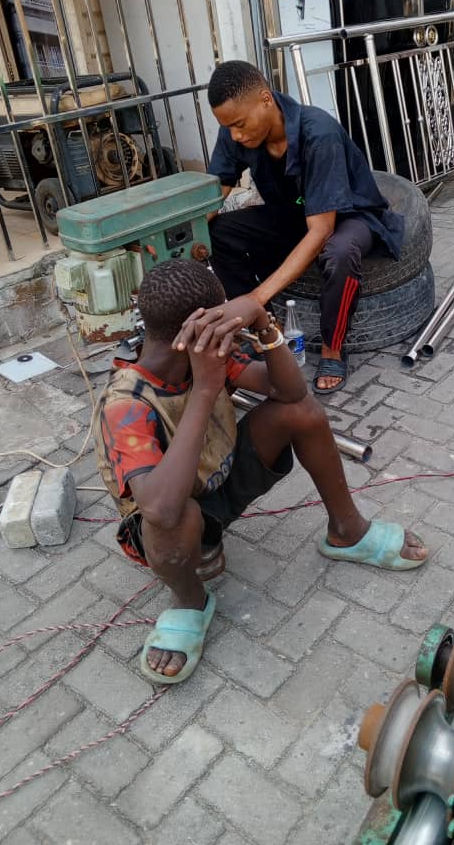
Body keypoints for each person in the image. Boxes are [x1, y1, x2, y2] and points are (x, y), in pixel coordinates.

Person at [93, 258, 426, 685]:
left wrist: (263, 321)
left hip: (218, 478)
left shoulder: (207, 357)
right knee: (174, 517)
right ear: (196, 330)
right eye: (222, 321)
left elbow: (290, 391)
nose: (230, 329)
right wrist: (207, 386)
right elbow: (157, 508)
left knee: (302, 413)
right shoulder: (126, 403)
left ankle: (347, 530)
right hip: (171, 521)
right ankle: (190, 601)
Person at [206, 60, 404, 394]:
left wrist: (256, 295)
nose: (235, 135)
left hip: (347, 217)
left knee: (340, 252)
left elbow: (321, 230)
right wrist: (181, 239)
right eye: (229, 128)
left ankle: (333, 349)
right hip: (292, 213)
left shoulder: (318, 134)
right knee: (221, 231)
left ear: (266, 100)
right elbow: (214, 196)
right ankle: (267, 328)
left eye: (239, 124)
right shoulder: (235, 132)